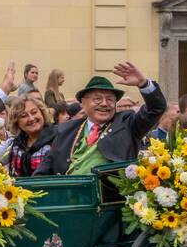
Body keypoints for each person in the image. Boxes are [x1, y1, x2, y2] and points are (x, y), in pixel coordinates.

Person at [36, 64, 167, 175]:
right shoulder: (66, 129)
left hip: (109, 199)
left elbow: (156, 108)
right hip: (70, 198)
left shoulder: (127, 123)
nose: (104, 103)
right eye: (97, 99)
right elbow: (45, 169)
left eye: (110, 99)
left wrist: (143, 84)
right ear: (82, 103)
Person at [4, 97, 56, 177]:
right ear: (16, 121)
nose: (31, 118)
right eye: (24, 116)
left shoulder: (57, 138)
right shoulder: (15, 144)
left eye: (34, 112)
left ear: (42, 113)